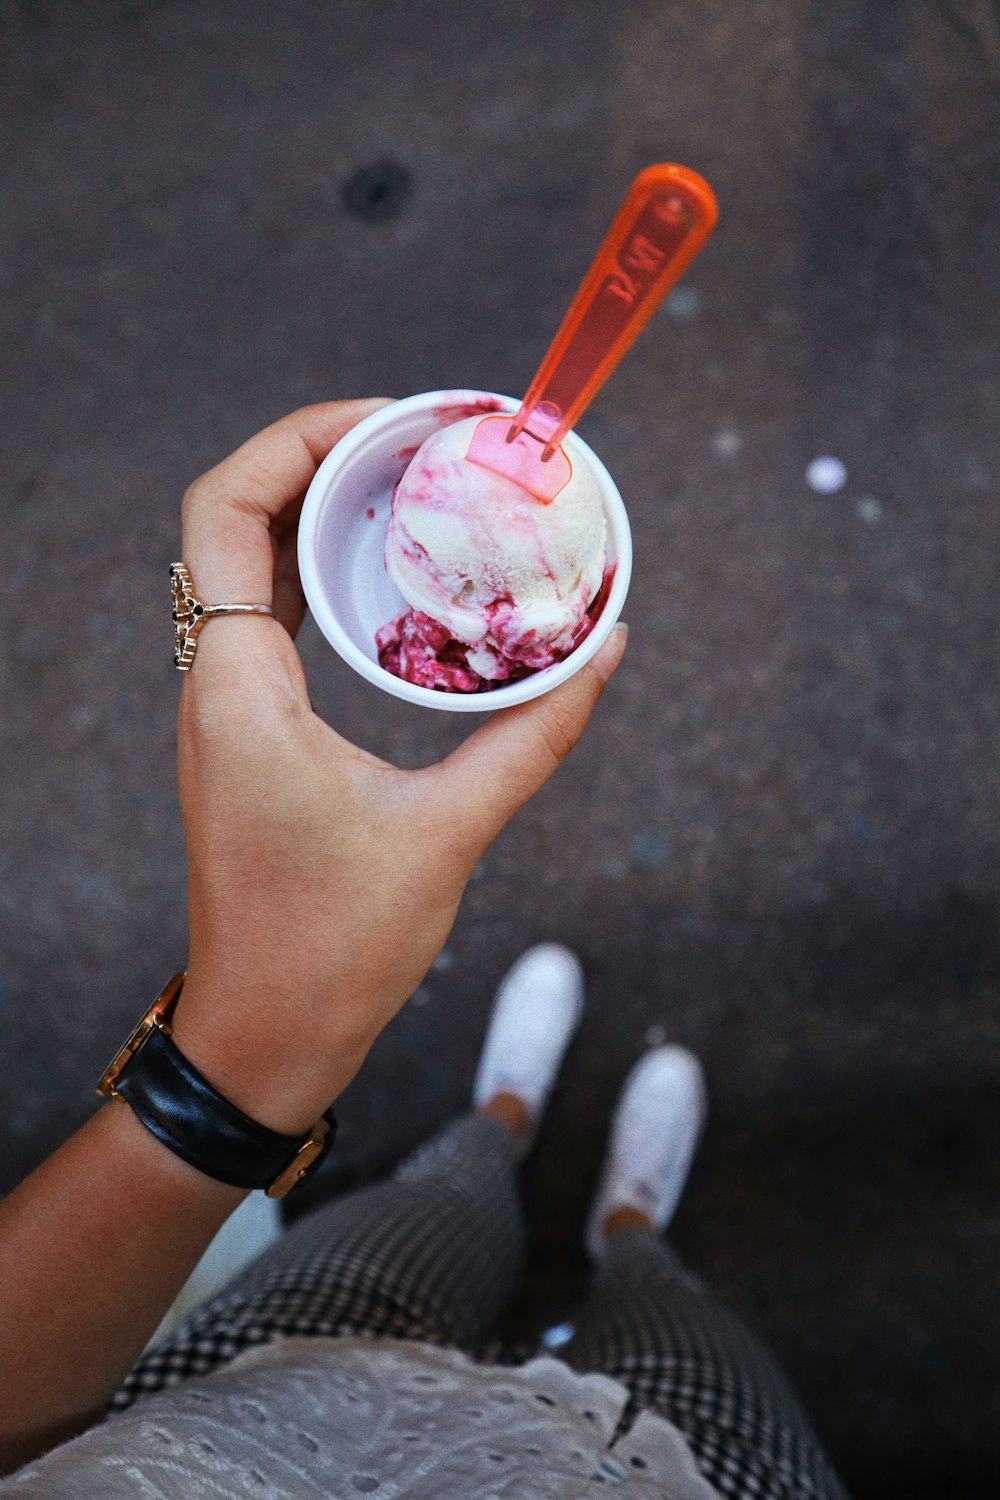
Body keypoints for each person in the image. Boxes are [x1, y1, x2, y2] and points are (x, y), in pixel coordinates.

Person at [0, 401, 849, 1498]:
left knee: (433, 1207)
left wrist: (239, 1070)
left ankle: (500, 1122)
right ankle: (630, 1229)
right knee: (681, 1338)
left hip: (263, 1409)